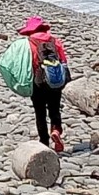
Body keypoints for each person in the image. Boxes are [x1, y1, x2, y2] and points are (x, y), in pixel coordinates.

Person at [19, 16, 69, 152]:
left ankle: (44, 142)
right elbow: (63, 61)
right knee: (55, 109)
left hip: (38, 82)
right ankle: (56, 131)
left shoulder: (28, 43)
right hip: (54, 80)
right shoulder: (54, 41)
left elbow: (25, 65)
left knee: (40, 112)